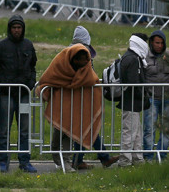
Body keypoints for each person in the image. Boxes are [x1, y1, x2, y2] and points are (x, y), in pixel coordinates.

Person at [37, 44, 102, 172]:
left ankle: (66, 162)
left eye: (86, 59)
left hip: (74, 107)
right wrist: (44, 92)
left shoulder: (86, 68)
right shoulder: (60, 64)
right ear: (74, 59)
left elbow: (93, 80)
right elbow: (47, 79)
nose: (84, 62)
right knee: (58, 136)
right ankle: (57, 159)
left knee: (68, 134)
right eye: (81, 59)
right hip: (59, 105)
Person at [0, 15, 38, 173]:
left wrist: (30, 83)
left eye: (19, 27)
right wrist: (1, 82)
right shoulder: (2, 46)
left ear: (23, 29)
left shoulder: (28, 45)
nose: (17, 30)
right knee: (4, 129)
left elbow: (33, 66)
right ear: (10, 29)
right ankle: (3, 161)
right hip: (6, 93)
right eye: (14, 27)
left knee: (24, 129)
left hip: (23, 92)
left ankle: (25, 161)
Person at [67, 26, 118, 170]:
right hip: (80, 97)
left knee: (87, 129)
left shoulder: (71, 52)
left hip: (82, 97)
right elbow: (88, 75)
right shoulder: (79, 54)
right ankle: (96, 158)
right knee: (85, 129)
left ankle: (99, 158)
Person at [142, 30, 169, 162]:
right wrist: (146, 93)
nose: (159, 45)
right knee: (149, 128)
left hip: (168, 98)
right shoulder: (145, 57)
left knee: (166, 129)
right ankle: (148, 156)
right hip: (151, 98)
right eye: (157, 42)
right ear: (151, 42)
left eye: (161, 43)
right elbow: (142, 77)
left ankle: (162, 155)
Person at [118, 33, 151, 167]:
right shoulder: (132, 59)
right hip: (131, 101)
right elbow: (133, 82)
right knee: (130, 133)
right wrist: (142, 94)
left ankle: (137, 159)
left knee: (136, 133)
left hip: (133, 102)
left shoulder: (132, 57)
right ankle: (125, 161)